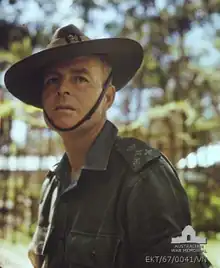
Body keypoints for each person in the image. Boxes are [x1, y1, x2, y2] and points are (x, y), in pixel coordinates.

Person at [4, 24, 211, 268]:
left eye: (80, 78)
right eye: (52, 80)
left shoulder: (142, 176)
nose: (63, 89)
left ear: (108, 98)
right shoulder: (54, 182)